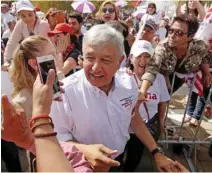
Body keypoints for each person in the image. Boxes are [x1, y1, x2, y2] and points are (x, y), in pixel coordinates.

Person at [50, 24, 177, 172]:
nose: (96, 68)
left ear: (120, 61)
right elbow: (56, 139)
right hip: (81, 166)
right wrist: (84, 151)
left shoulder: (129, 84)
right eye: (90, 58)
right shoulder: (64, 93)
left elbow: (133, 118)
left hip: (118, 161)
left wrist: (156, 152)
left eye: (106, 60)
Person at [1, 35, 92, 172]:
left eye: (54, 54)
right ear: (34, 64)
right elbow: (25, 141)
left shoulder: (51, 84)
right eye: (51, 55)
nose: (55, 59)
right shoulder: (22, 102)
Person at [138, 16, 211, 101]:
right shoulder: (163, 46)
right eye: (171, 30)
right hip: (166, 74)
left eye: (179, 33)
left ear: (190, 37)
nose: (171, 36)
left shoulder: (200, 45)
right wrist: (142, 92)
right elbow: (152, 68)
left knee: (167, 97)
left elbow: (205, 56)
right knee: (160, 99)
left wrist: (205, 73)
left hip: (182, 75)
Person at [123, 40, 170, 171]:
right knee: (117, 158)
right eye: (139, 56)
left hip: (143, 129)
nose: (143, 60)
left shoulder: (159, 78)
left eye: (147, 56)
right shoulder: (121, 76)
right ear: (131, 58)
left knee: (133, 159)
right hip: (122, 127)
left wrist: (161, 121)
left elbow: (163, 102)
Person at [2, 0, 50, 71]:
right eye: (23, 16)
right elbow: (12, 41)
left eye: (30, 14)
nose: (27, 18)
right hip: (32, 62)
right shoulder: (20, 24)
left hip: (46, 60)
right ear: (19, 16)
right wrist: (6, 60)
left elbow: (40, 47)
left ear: (34, 12)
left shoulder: (43, 25)